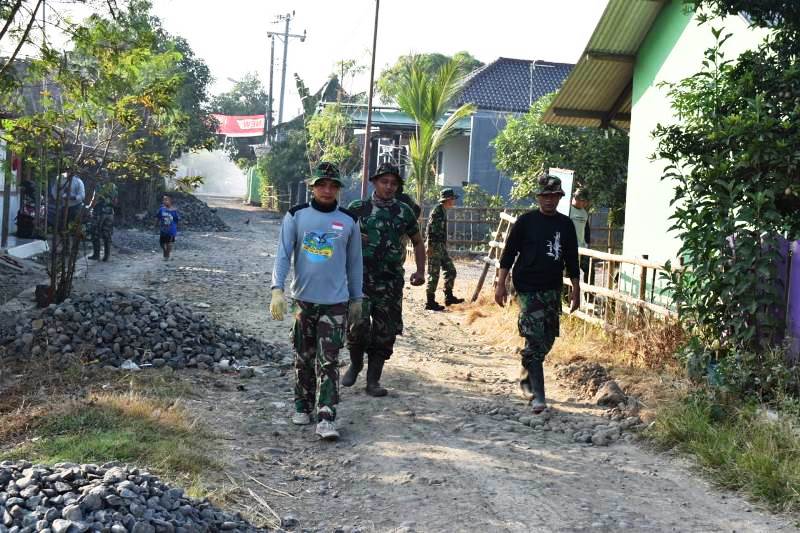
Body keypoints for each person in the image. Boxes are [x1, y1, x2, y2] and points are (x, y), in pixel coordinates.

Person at [269, 162, 363, 440]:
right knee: (303, 356)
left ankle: (326, 415)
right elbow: (283, 254)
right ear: (312, 187)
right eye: (322, 184)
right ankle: (302, 404)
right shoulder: (296, 216)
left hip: (335, 303)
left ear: (338, 190)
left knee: (329, 361)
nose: (327, 190)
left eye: (332, 186)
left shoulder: (348, 221)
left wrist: (357, 298)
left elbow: (355, 264)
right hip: (304, 301)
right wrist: (277, 288)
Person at [495, 173, 581, 414]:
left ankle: (526, 375)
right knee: (534, 337)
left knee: (547, 339)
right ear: (538, 197)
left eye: (554, 196)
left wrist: (576, 289)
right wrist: (501, 284)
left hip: (552, 288)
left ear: (560, 198)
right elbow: (509, 254)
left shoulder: (565, 225)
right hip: (527, 288)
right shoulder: (526, 222)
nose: (549, 200)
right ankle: (538, 395)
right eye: (545, 196)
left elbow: (572, 259)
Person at [344, 162, 426, 396]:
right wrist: (353, 239)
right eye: (384, 182)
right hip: (360, 280)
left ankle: (373, 381)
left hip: (390, 282)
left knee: (384, 331)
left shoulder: (404, 211)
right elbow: (340, 238)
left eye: (393, 183)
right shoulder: (357, 208)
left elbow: (418, 242)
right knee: (357, 326)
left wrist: (420, 271)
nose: (389, 187)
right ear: (374, 182)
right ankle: (356, 363)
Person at [425, 188, 463, 311]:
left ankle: (449, 296)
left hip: (440, 246)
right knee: (433, 274)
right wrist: (430, 247)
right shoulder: (437, 211)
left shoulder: (443, 210)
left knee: (451, 270)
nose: (454, 201)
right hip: (434, 246)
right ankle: (430, 302)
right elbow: (431, 231)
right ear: (447, 199)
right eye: (452, 199)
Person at [88, 180, 118, 261]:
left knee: (95, 233)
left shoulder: (99, 185)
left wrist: (89, 208)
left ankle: (96, 255)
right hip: (110, 213)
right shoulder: (113, 186)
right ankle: (106, 256)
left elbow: (95, 199)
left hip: (99, 212)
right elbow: (115, 202)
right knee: (107, 234)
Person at [569, 187, 592, 282]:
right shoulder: (567, 210)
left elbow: (586, 229)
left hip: (582, 248)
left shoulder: (584, 213)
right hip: (569, 248)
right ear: (577, 199)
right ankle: (567, 296)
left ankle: (590, 295)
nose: (586, 204)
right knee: (569, 274)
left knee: (590, 271)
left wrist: (588, 243)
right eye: (584, 201)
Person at [156, 195, 180, 260]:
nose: (164, 201)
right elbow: (158, 218)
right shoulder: (161, 209)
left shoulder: (174, 211)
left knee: (169, 243)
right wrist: (155, 225)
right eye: (163, 200)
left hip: (171, 230)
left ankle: (167, 255)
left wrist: (175, 228)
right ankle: (164, 250)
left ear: (170, 201)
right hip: (163, 229)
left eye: (166, 200)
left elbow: (177, 220)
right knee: (161, 243)